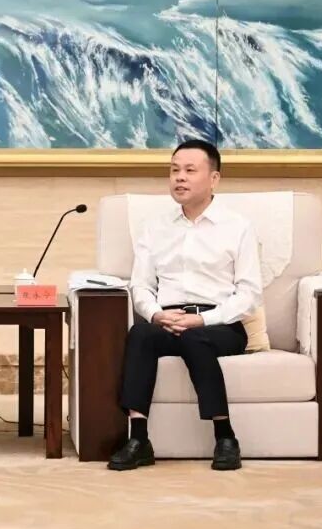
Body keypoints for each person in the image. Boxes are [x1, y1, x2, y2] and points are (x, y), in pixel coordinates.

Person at [109, 139, 261, 472]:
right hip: (168, 319)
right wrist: (156, 314)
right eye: (174, 170)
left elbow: (249, 294)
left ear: (214, 179)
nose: (179, 177)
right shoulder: (156, 228)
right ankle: (138, 439)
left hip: (220, 326)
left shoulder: (237, 227)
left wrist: (203, 320)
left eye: (190, 170)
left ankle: (225, 437)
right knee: (141, 334)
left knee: (194, 337)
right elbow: (141, 285)